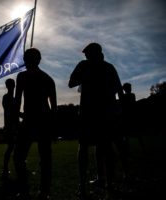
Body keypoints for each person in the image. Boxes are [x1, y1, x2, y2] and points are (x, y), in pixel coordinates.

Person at [68, 42, 123, 198]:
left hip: (90, 113)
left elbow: (71, 82)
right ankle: (106, 181)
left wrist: (85, 75)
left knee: (87, 146)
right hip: (104, 114)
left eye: (87, 54)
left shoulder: (85, 65)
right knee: (104, 146)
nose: (85, 57)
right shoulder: (109, 67)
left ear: (92, 54)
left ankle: (85, 184)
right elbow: (119, 91)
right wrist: (120, 112)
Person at [13, 48, 57, 200]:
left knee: (20, 156)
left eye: (27, 58)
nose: (26, 61)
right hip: (39, 120)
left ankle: (30, 190)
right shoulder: (47, 78)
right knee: (43, 158)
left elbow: (18, 100)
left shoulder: (23, 76)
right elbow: (54, 107)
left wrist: (15, 118)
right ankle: (42, 191)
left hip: (33, 120)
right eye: (26, 58)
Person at [1, 78, 19, 181]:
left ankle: (17, 167)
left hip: (16, 125)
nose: (12, 86)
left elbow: (15, 112)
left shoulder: (15, 98)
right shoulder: (6, 97)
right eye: (10, 84)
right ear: (7, 86)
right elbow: (9, 111)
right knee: (11, 147)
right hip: (9, 126)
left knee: (16, 148)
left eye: (13, 84)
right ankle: (5, 169)